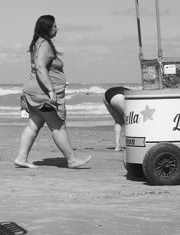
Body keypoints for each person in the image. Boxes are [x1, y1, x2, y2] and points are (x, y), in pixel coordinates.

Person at [15, 15, 90, 169]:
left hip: (33, 93)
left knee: (33, 125)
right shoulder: (44, 45)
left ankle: (21, 158)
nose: (57, 28)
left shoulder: (38, 43)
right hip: (43, 95)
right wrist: (51, 91)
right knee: (58, 126)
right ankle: (72, 159)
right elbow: (41, 67)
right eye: (54, 26)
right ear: (47, 29)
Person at [102, 86, 130, 151]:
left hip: (106, 95)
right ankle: (135, 143)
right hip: (118, 96)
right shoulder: (137, 97)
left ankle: (117, 146)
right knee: (131, 119)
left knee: (118, 121)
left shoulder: (130, 91)